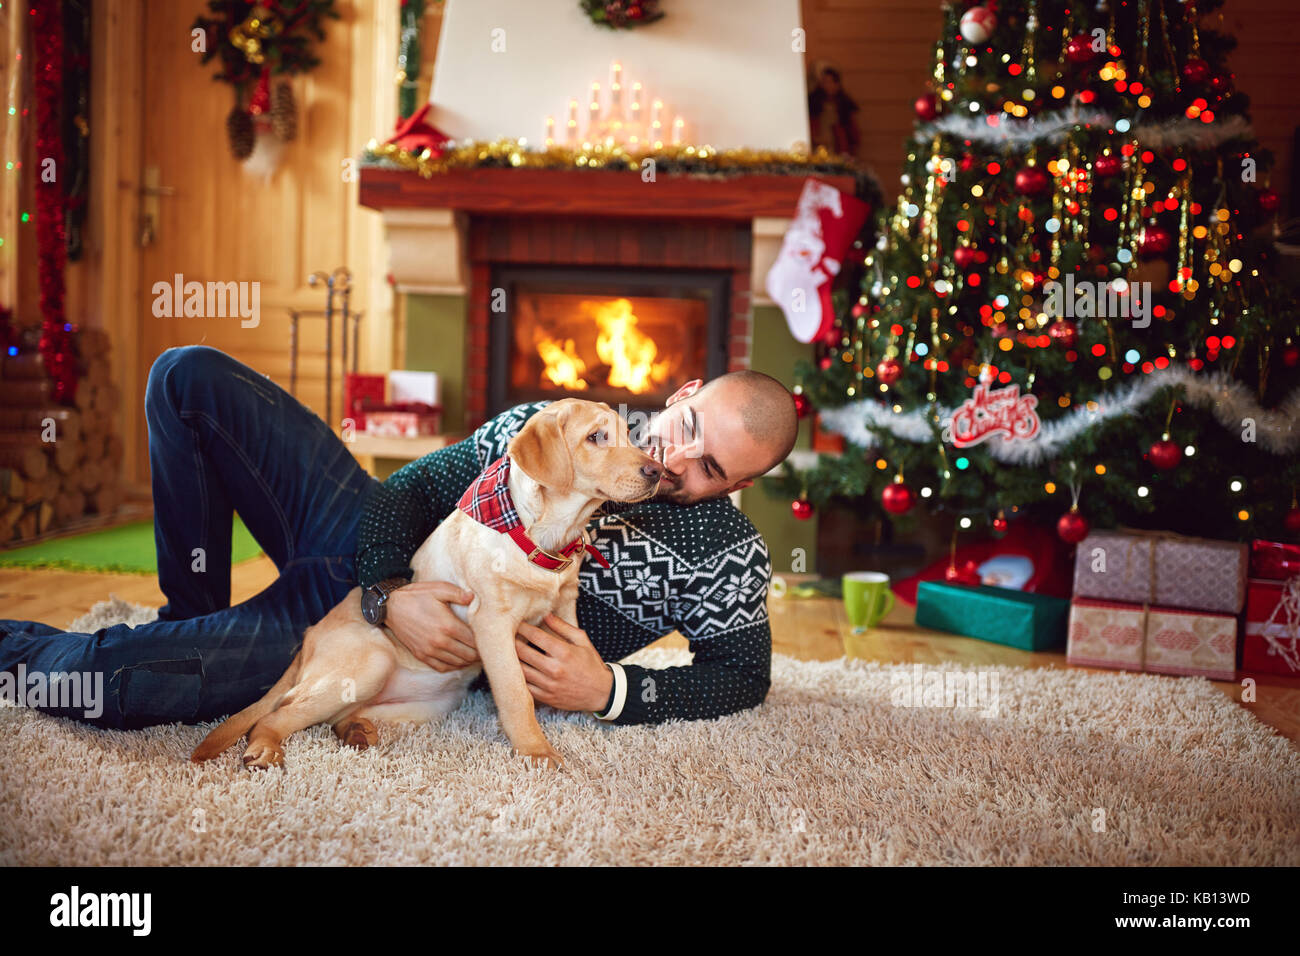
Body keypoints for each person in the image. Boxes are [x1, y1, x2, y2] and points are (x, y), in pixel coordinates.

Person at [0, 345, 798, 731]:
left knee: (113, 681)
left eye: (711, 467)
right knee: (185, 375)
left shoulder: (725, 556)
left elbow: (742, 677)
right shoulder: (559, 426)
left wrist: (611, 692)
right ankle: (190, 605)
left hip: (395, 651)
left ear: (740, 487)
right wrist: (387, 593)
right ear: (683, 392)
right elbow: (411, 488)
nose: (676, 455)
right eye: (687, 425)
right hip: (367, 542)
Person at [808, 66, 860, 158]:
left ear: (837, 85)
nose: (827, 86)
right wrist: (814, 138)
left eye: (830, 82)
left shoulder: (844, 105)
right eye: (824, 82)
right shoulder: (813, 103)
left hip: (838, 148)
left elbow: (852, 133)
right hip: (817, 148)